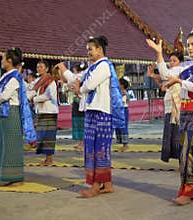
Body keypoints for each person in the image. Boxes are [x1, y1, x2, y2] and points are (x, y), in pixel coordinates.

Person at [146, 30, 193, 205]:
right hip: (187, 112)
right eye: (188, 45)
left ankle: (191, 191)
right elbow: (165, 75)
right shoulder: (187, 67)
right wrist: (159, 54)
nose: (190, 48)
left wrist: (179, 82)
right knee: (187, 151)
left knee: (192, 152)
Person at [56, 36, 125, 198]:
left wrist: (79, 87)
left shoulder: (104, 66)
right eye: (87, 49)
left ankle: (95, 185)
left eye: (90, 49)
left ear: (100, 49)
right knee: (95, 148)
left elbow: (88, 85)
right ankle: (106, 184)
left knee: (97, 149)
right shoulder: (93, 67)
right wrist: (63, 69)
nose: (88, 52)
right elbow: (76, 78)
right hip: (93, 111)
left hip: (101, 112)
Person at [0, 47, 36, 186]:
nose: (1, 61)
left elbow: (5, 95)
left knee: (12, 145)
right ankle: (10, 176)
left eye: (3, 58)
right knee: (5, 145)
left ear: (9, 60)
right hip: (5, 114)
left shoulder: (14, 77)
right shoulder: (7, 76)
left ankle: (17, 178)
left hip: (11, 115)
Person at [148, 52, 184, 162]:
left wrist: (158, 53)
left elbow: (165, 75)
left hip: (177, 106)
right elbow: (162, 85)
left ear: (180, 62)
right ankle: (179, 159)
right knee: (171, 134)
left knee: (178, 134)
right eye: (171, 60)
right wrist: (153, 75)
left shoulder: (180, 70)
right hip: (169, 105)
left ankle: (182, 161)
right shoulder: (172, 72)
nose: (172, 63)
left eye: (174, 61)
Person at [28, 60, 59, 165]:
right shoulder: (38, 81)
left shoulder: (51, 81)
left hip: (49, 111)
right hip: (41, 110)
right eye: (38, 67)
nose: (39, 68)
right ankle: (47, 158)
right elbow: (31, 90)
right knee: (42, 135)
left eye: (41, 67)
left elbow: (47, 96)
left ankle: (49, 159)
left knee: (48, 136)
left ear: (47, 68)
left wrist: (34, 99)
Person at [68, 63, 87, 150]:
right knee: (77, 123)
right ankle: (80, 141)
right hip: (76, 103)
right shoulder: (77, 80)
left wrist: (76, 90)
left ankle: (83, 142)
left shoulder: (83, 79)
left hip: (81, 103)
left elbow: (79, 92)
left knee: (82, 123)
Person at [115, 77, 130, 152]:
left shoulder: (124, 93)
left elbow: (122, 103)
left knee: (123, 127)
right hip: (118, 110)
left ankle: (125, 144)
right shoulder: (119, 92)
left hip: (123, 110)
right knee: (118, 127)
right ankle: (121, 141)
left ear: (122, 85)